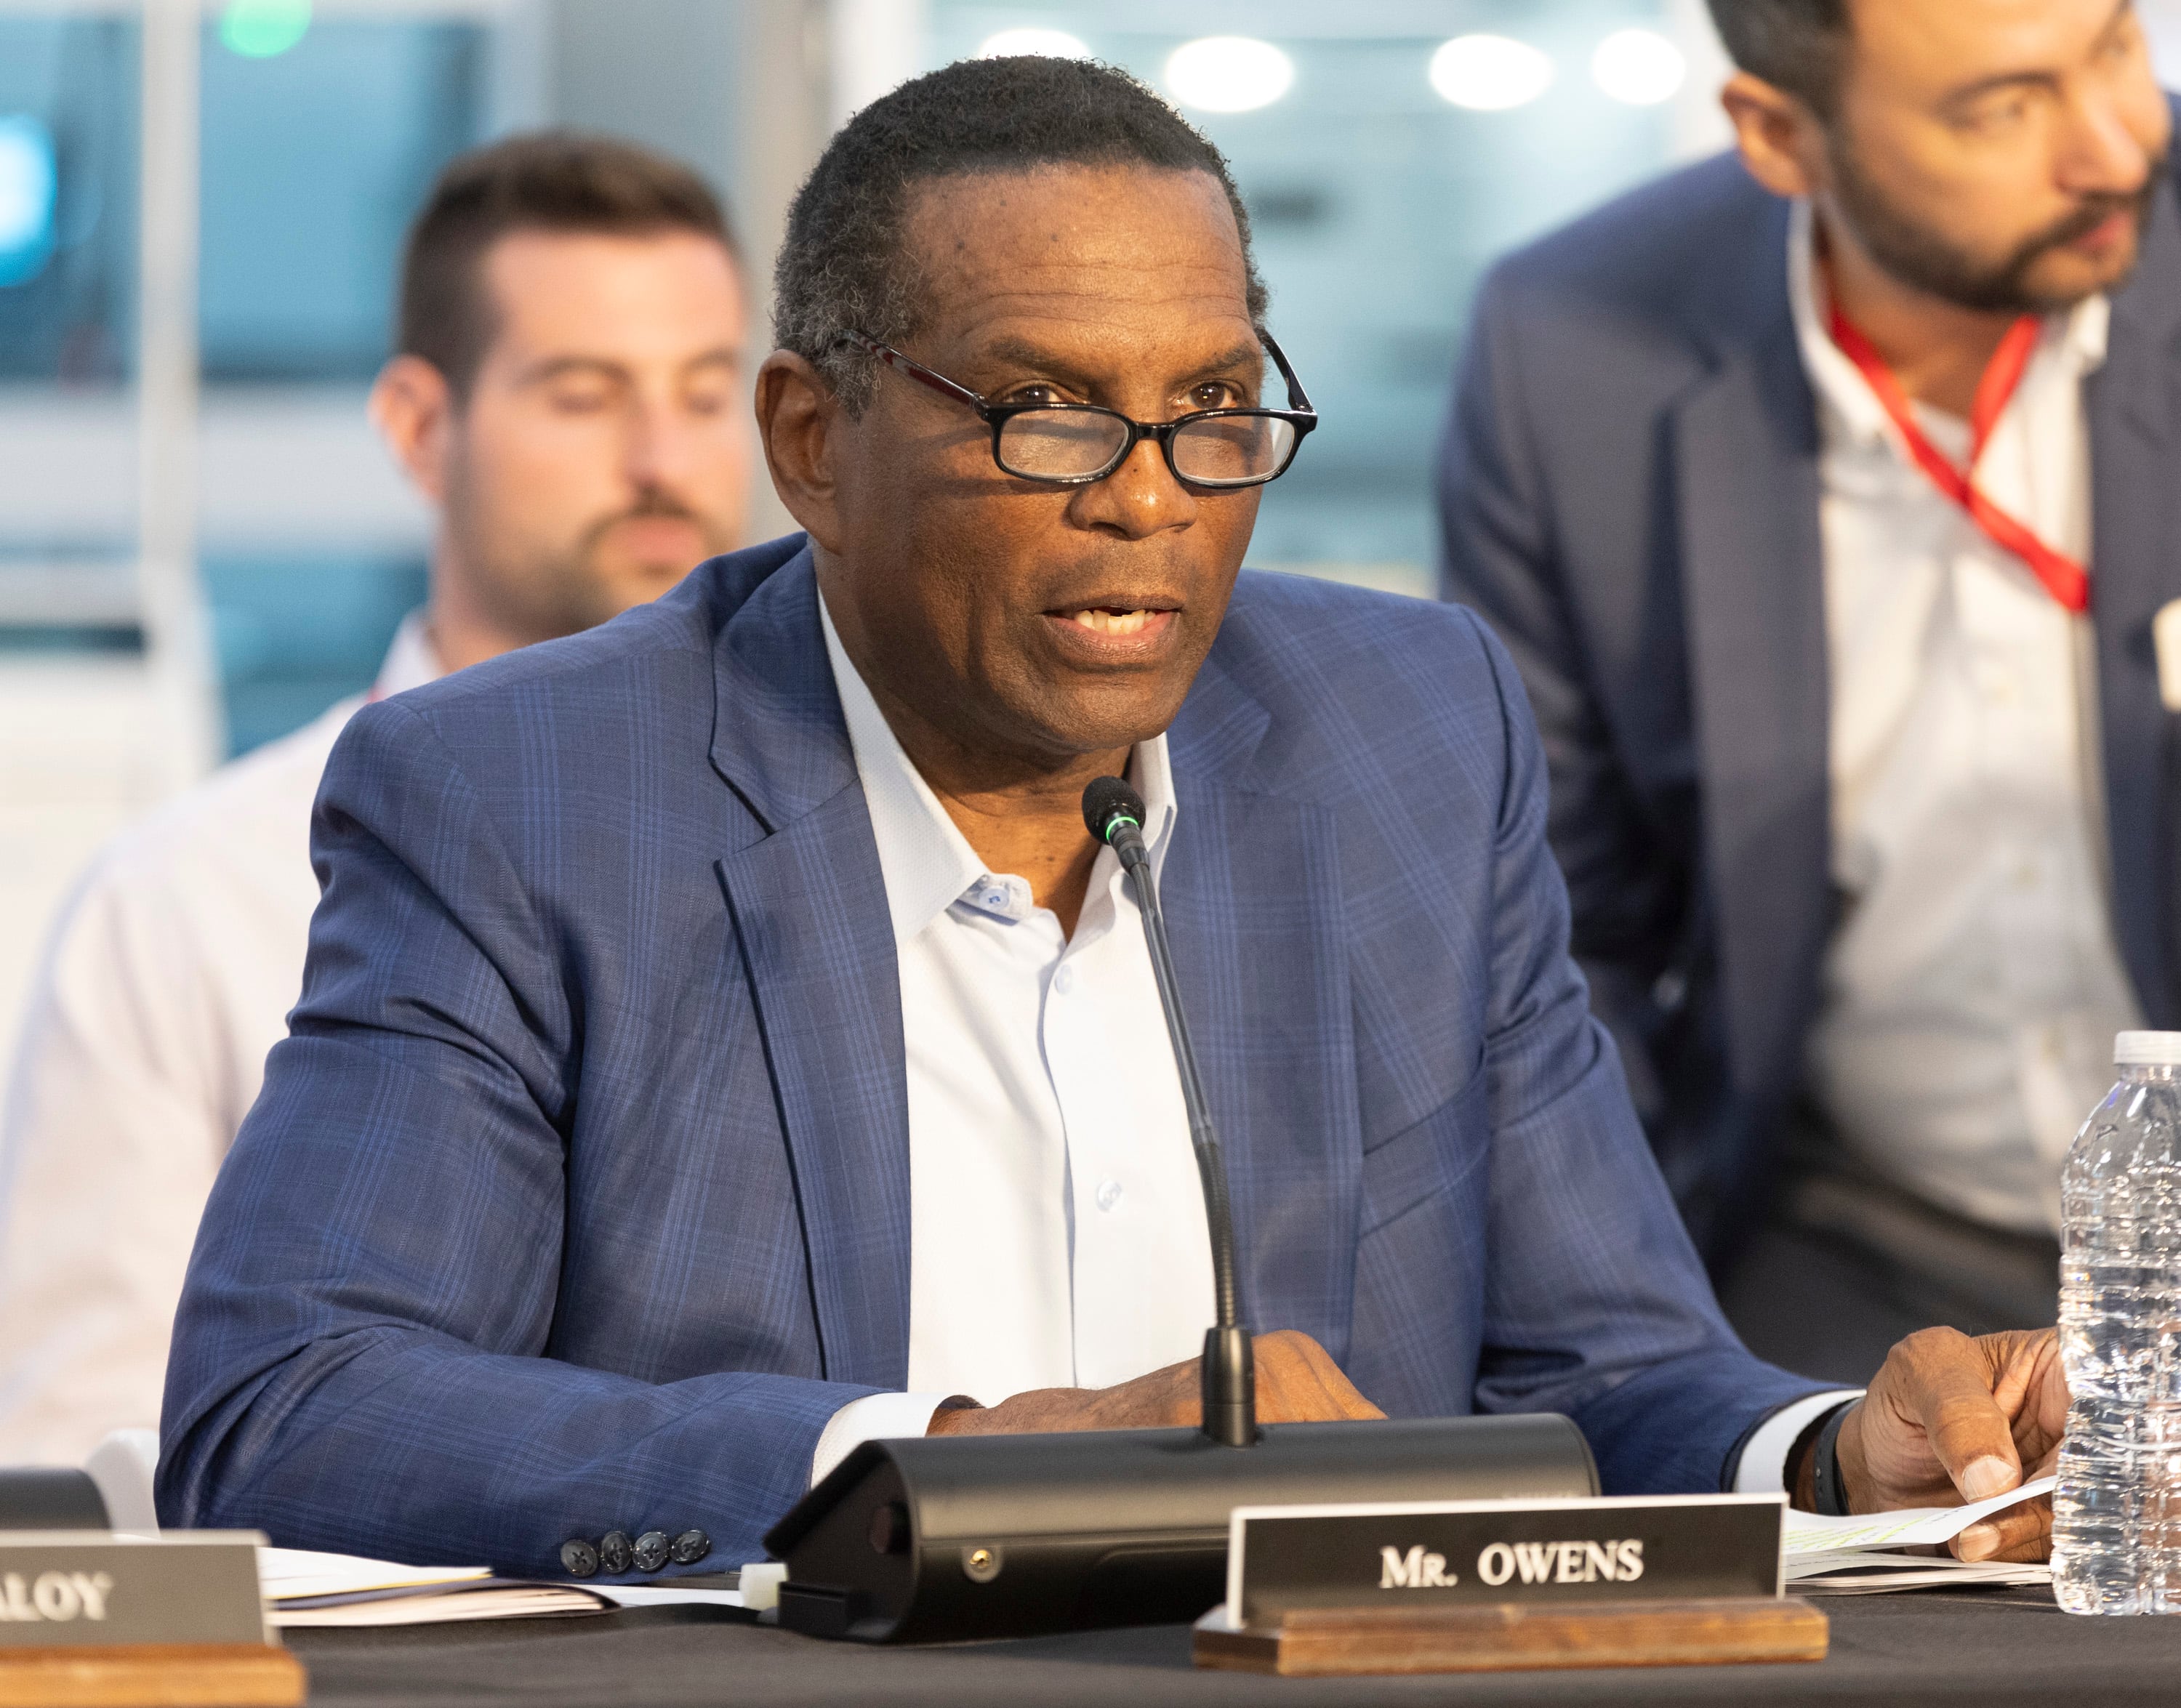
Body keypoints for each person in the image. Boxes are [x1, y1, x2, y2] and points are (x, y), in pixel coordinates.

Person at [159, 57, 2063, 1581]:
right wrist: (923, 1463)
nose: (1151, 498)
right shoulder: (523, 794)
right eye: (1051, 415)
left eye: (1217, 407)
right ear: (812, 439)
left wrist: (1839, 1448)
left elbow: (1606, 1373)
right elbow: (286, 1399)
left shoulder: (1405, 736)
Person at [1437, 0, 2178, 1383]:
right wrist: (1646, 1332)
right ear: (1781, 136)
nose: (2117, 143)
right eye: (2003, 108)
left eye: (2119, 45)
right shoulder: (1572, 354)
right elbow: (1552, 926)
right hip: (1857, 1247)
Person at [0, 132, 752, 1464]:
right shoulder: (188, 900)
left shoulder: (838, 851)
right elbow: (90, 1460)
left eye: (704, 394)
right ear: (419, 426)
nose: (662, 460)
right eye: (583, 394)